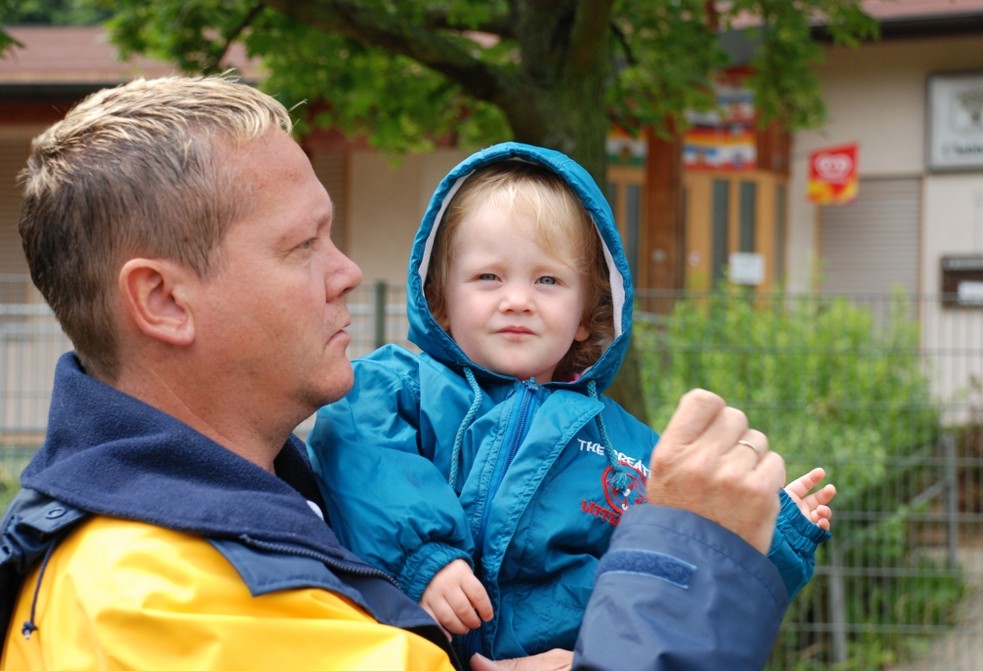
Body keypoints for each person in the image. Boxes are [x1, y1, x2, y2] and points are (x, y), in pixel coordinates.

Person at [0, 73, 792, 671]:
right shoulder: (158, 596)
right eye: (302, 246)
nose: (347, 271)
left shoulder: (235, 528)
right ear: (165, 299)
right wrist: (684, 554)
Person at [307, 142, 836, 664]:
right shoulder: (397, 388)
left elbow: (670, 580)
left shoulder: (629, 449)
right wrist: (423, 558)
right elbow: (360, 454)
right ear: (441, 301)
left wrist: (766, 534)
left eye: (548, 280)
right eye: (488, 276)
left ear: (587, 313)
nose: (518, 298)